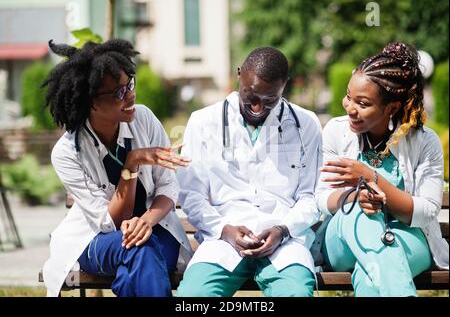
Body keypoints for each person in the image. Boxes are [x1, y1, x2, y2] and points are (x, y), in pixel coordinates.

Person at [41, 39, 193, 297]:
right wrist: (131, 163)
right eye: (118, 93)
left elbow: (168, 184)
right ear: (92, 102)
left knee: (139, 259)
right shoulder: (68, 152)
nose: (130, 95)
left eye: (130, 84)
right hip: (97, 240)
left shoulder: (143, 118)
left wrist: (145, 221)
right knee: (140, 250)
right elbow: (111, 222)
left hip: (155, 228)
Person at [176, 46, 322, 297]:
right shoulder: (203, 122)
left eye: (269, 100)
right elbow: (191, 194)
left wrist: (283, 230)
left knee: (296, 292)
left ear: (284, 86)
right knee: (194, 297)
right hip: (222, 240)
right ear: (238, 74)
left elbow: (311, 196)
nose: (257, 107)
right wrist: (224, 229)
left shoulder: (306, 124)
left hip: (284, 243)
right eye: (250, 96)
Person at [315, 42, 449, 297]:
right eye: (348, 97)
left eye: (362, 103)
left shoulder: (424, 142)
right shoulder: (335, 131)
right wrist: (356, 196)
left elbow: (426, 212)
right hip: (343, 239)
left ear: (391, 108)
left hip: (406, 236)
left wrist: (370, 177)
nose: (350, 108)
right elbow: (321, 198)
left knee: (370, 277)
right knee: (358, 213)